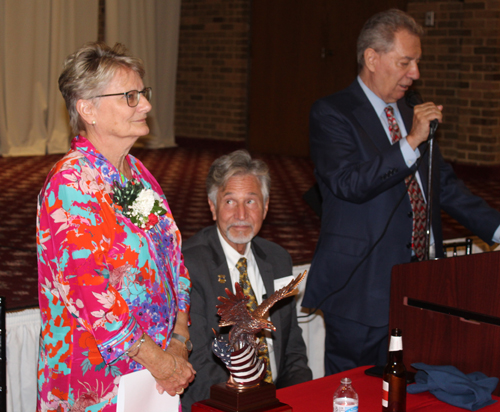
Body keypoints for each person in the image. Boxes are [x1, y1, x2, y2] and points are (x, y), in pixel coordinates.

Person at [302, 9, 500, 376]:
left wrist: (497, 229)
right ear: (372, 59)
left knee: (412, 386)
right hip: (360, 288)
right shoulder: (333, 113)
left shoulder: (412, 113)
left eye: (417, 62)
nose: (415, 74)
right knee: (354, 390)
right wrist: (410, 142)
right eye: (405, 62)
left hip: (421, 286)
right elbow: (350, 184)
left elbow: (443, 187)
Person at [36, 42, 195, 412]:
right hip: (97, 382)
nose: (146, 106)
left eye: (143, 94)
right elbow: (92, 295)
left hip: (154, 376)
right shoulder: (71, 184)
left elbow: (174, 263)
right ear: (87, 109)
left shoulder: (137, 174)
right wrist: (160, 362)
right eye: (130, 96)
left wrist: (179, 338)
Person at [181, 150, 312, 411]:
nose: (241, 214)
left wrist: (299, 398)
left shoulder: (278, 259)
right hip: (220, 402)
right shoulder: (190, 265)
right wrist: (254, 404)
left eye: (251, 201)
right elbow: (198, 362)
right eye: (229, 201)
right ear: (212, 207)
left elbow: (292, 347)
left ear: (265, 206)